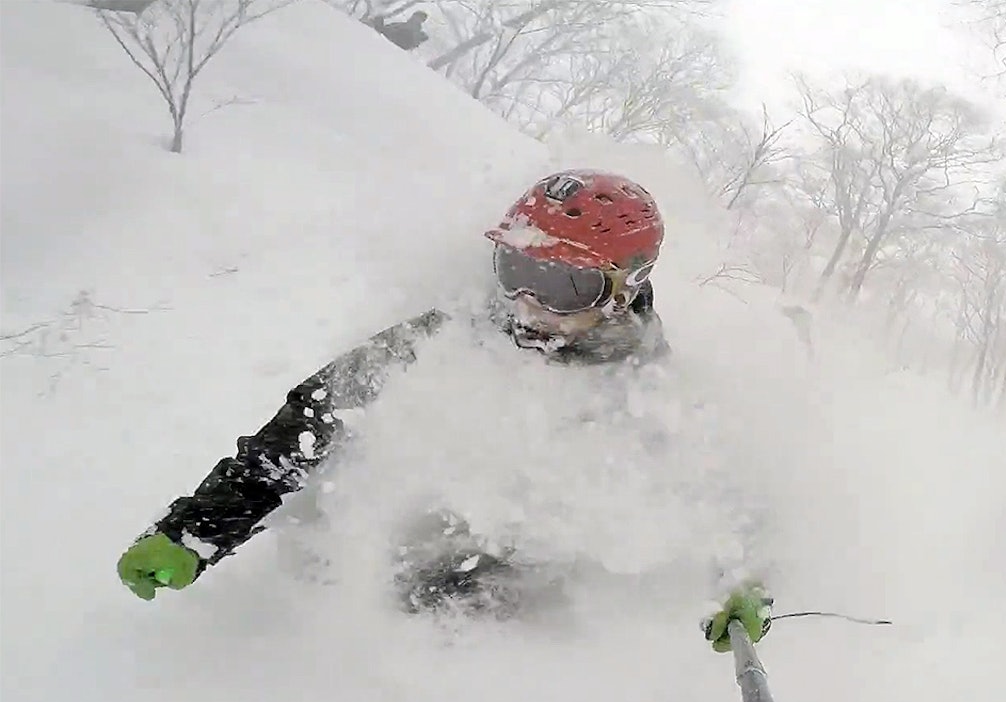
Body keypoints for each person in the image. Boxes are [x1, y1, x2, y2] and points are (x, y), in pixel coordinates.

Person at [114, 169, 771, 648]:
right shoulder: (448, 333)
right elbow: (308, 424)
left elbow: (718, 493)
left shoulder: (648, 393)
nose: (525, 303)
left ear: (622, 292)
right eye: (514, 268)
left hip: (513, 594)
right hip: (406, 561)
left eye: (562, 284)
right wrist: (197, 528)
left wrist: (741, 580)